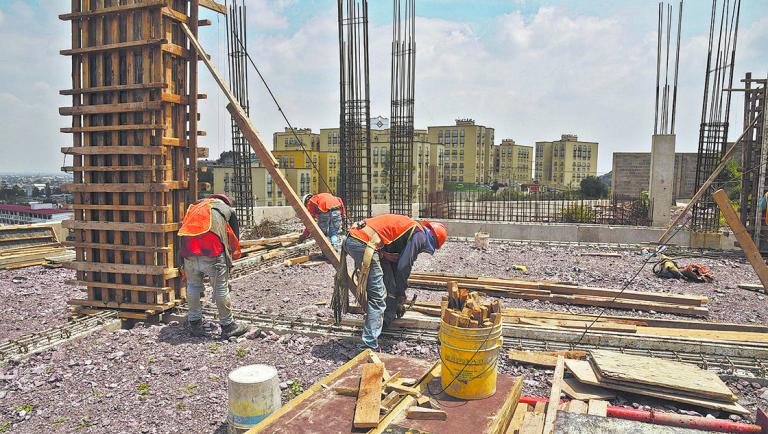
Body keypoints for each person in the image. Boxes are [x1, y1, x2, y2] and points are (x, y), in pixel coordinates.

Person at [342, 214, 447, 350]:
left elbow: (395, 263)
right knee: (378, 297)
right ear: (432, 240)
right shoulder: (420, 235)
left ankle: (385, 320)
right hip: (362, 243)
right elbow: (404, 266)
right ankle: (369, 344)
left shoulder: (410, 229)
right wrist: (401, 290)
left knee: (387, 283)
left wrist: (396, 291)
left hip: (359, 238)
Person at [178, 193, 249, 339]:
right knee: (220, 288)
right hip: (212, 251)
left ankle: (194, 323)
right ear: (225, 202)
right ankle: (228, 325)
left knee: (192, 286)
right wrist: (232, 257)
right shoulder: (226, 209)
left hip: (188, 251)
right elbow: (234, 236)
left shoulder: (195, 208)